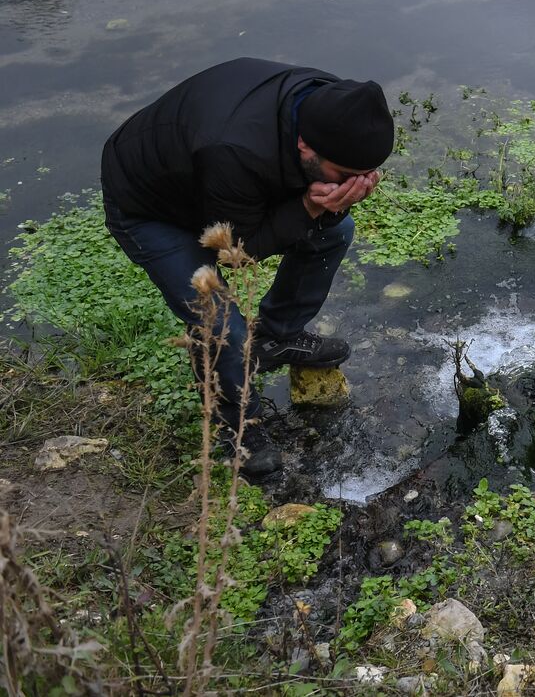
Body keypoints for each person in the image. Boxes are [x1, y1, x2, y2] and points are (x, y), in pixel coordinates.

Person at [101, 57, 395, 477]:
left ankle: (276, 338)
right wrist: (312, 204)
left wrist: (331, 206)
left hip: (221, 183)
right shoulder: (233, 147)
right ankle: (237, 424)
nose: (356, 184)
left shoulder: (334, 108)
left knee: (335, 232)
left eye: (366, 176)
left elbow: (306, 215)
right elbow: (235, 252)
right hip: (151, 206)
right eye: (346, 176)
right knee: (220, 320)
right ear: (305, 148)